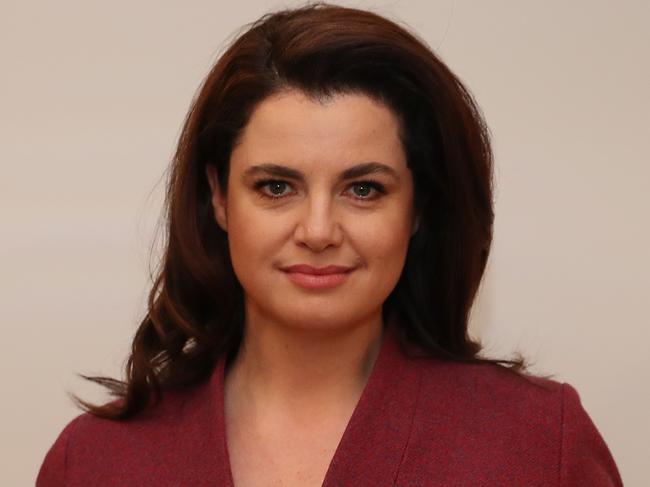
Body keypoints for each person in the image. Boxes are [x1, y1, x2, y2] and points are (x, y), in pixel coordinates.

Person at [36, 3, 623, 486]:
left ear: (417, 207)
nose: (318, 231)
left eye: (363, 188)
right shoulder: (93, 464)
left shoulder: (540, 446)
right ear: (218, 196)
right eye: (275, 186)